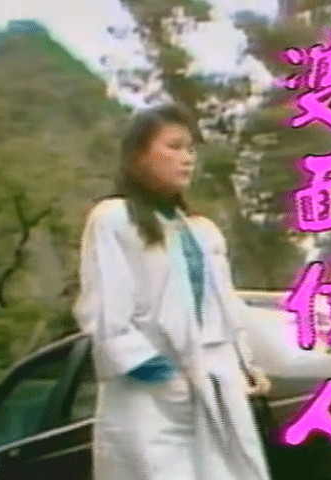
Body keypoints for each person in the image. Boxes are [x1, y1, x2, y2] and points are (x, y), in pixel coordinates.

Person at [73, 102, 273, 480]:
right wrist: (164, 377)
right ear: (139, 155)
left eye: (191, 149)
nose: (187, 158)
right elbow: (106, 318)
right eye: (174, 147)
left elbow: (224, 310)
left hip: (215, 388)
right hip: (150, 400)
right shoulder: (114, 219)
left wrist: (245, 366)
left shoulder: (201, 230)